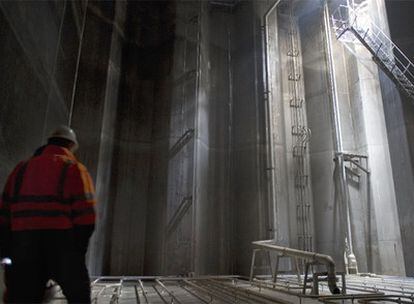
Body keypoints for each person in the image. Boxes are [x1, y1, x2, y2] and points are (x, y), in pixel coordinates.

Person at [0, 126, 96, 303]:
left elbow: (4, 214)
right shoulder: (74, 168)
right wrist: (76, 251)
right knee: (79, 295)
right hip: (60, 243)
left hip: (23, 244)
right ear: (71, 145)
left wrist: (7, 249)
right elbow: (86, 217)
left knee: (21, 297)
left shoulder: (21, 169)